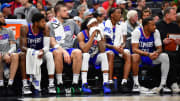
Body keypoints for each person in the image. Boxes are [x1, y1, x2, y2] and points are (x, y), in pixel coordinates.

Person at [48, 4, 82, 94]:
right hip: (56, 49)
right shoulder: (50, 24)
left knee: (78, 52)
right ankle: (59, 83)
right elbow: (52, 42)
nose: (67, 12)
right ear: (58, 13)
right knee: (58, 52)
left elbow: (80, 36)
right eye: (64, 11)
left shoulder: (72, 23)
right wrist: (63, 51)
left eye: (67, 10)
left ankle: (75, 83)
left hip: (69, 49)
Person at [131, 17, 170, 93]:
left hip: (151, 57)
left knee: (164, 56)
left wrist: (156, 53)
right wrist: (148, 54)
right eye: (152, 25)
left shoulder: (156, 32)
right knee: (135, 56)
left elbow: (159, 48)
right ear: (146, 26)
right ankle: (136, 85)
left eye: (154, 24)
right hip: (141, 57)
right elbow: (134, 49)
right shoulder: (137, 32)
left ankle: (163, 85)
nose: (155, 26)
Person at [20, 13, 56, 95]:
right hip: (28, 52)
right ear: (36, 23)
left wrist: (42, 51)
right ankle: (25, 84)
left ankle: (51, 84)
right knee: (22, 55)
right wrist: (34, 52)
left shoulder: (46, 29)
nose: (45, 24)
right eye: (43, 22)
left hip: (40, 52)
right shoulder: (25, 28)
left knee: (49, 54)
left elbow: (47, 47)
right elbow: (22, 47)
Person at [78, 17, 111, 94]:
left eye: (97, 23)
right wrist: (92, 36)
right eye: (94, 23)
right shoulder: (81, 34)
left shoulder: (99, 32)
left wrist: (100, 37)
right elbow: (85, 50)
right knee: (86, 55)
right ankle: (84, 83)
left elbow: (102, 49)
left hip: (94, 57)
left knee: (104, 55)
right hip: (84, 57)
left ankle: (105, 83)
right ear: (89, 25)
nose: (96, 25)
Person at [104, 8, 131, 92]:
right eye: (118, 13)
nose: (121, 15)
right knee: (111, 54)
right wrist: (114, 47)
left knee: (127, 53)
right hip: (108, 48)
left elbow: (124, 41)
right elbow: (103, 43)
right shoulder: (104, 24)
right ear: (112, 15)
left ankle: (124, 82)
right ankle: (110, 81)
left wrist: (122, 47)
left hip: (118, 48)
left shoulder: (123, 25)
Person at [156, 7, 180, 93]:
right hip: (161, 50)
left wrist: (178, 42)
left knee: (175, 54)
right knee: (171, 56)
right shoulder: (157, 25)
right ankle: (173, 83)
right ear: (167, 15)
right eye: (174, 14)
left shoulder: (176, 26)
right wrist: (162, 42)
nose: (176, 15)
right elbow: (154, 40)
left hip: (175, 48)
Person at [0, 12, 19, 96]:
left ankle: (10, 84)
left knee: (15, 55)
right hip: (0, 55)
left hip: (8, 54)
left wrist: (8, 53)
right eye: (1, 17)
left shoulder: (9, 30)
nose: (3, 18)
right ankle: (1, 84)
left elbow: (13, 47)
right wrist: (3, 55)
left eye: (3, 17)